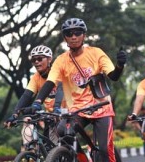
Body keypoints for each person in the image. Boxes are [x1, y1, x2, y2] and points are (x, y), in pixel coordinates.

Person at [29, 18, 127, 161]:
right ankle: (82, 159)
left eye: (77, 33)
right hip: (78, 109)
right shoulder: (61, 60)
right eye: (69, 34)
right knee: (63, 130)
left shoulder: (96, 53)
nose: (73, 37)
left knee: (105, 150)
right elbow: (50, 82)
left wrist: (119, 65)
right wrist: (37, 101)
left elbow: (113, 76)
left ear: (84, 35)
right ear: (65, 38)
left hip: (101, 107)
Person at [4, 45, 65, 148]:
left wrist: (57, 108)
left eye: (40, 58)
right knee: (48, 149)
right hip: (50, 115)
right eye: (34, 60)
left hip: (65, 112)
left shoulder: (57, 72)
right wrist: (14, 115)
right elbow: (26, 96)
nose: (36, 62)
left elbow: (61, 90)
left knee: (65, 145)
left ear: (49, 59)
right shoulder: (35, 77)